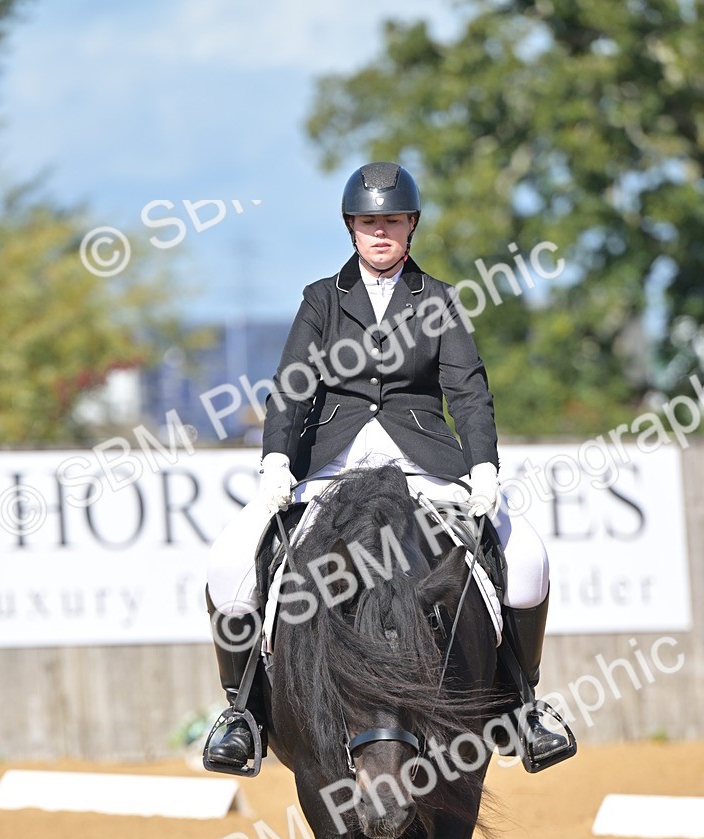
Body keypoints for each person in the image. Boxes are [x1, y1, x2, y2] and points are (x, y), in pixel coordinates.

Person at [205, 161, 574, 774]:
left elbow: (467, 389)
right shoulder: (322, 299)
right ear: (351, 227)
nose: (381, 233)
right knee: (227, 563)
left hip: (423, 462)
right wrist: (276, 460)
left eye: (393, 222)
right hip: (330, 464)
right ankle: (242, 713)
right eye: (370, 222)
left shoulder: (438, 300)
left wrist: (484, 466)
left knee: (528, 559)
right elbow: (292, 388)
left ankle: (521, 705)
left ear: (411, 227)